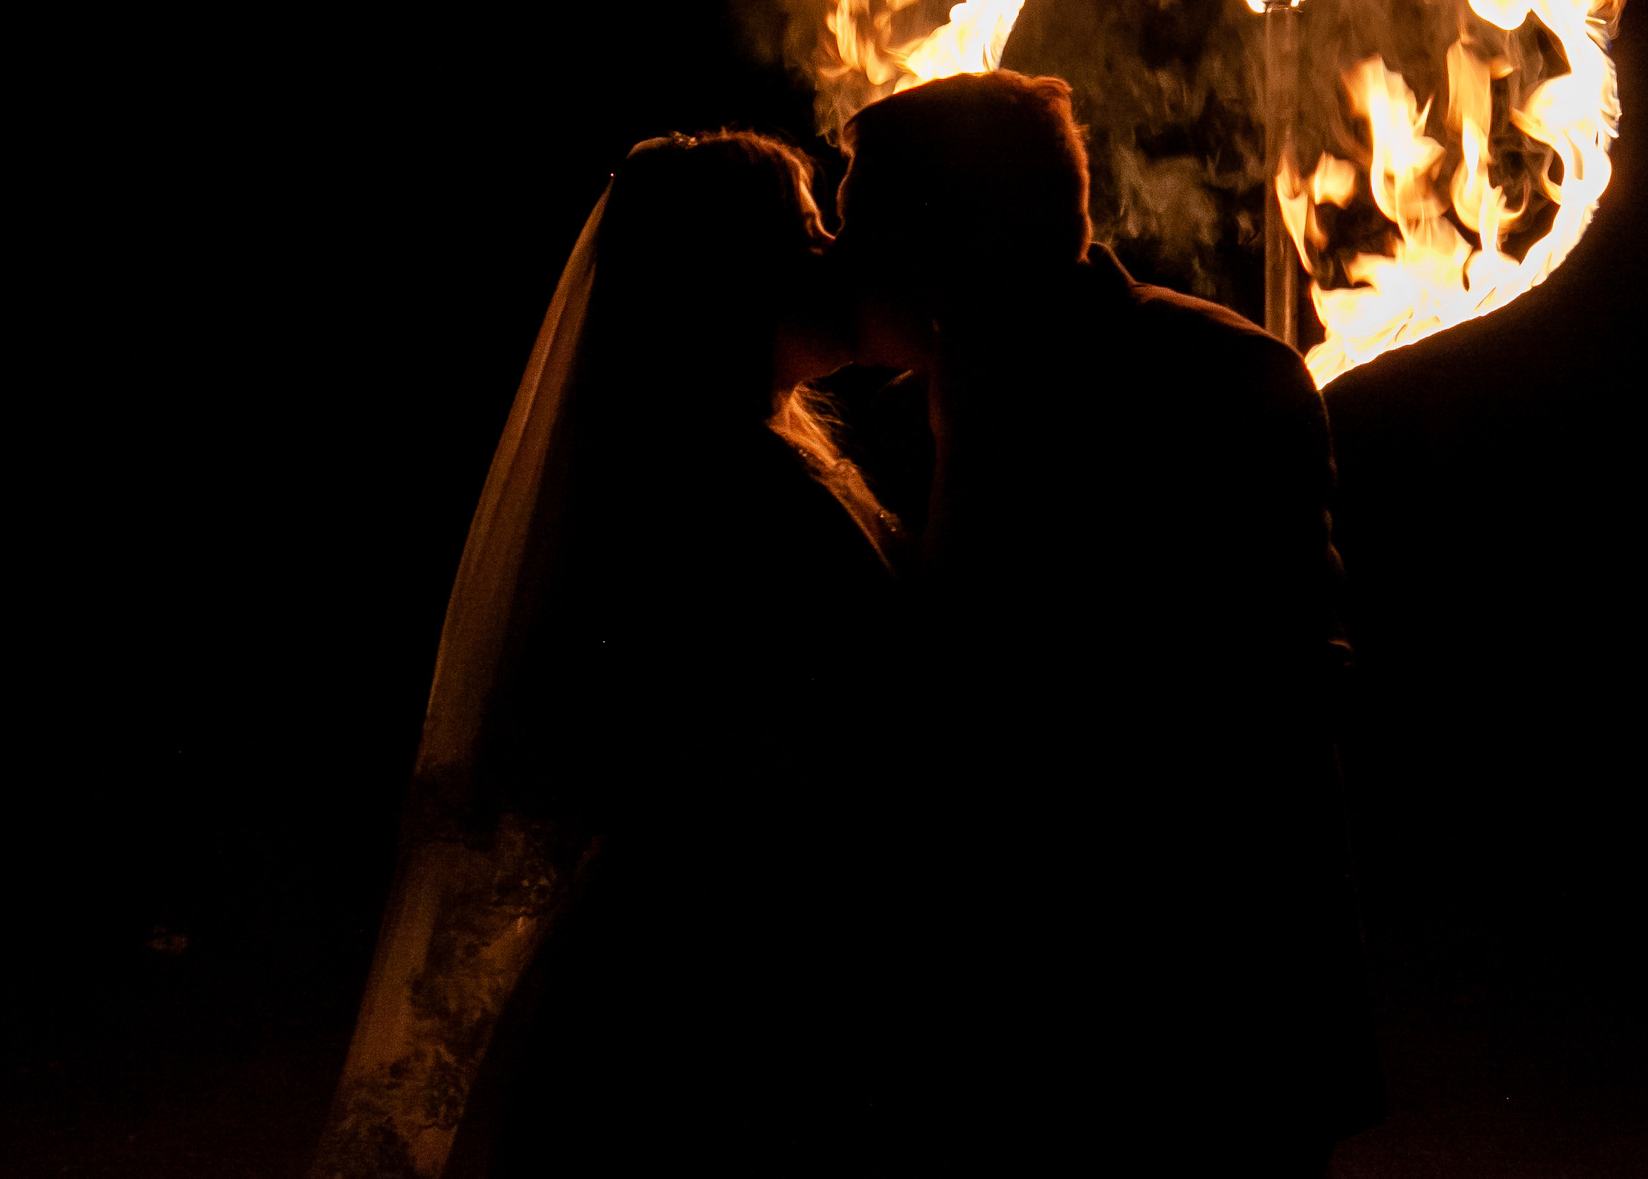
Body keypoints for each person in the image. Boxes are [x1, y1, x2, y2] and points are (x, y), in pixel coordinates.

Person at [313, 131, 904, 1179]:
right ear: (726, 276)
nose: (836, 250)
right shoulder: (736, 491)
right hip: (721, 968)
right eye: (807, 227)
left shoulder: (735, 462)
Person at [831, 70, 1381, 1176]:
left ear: (956, 233)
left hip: (1205, 999)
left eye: (871, 222)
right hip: (997, 1015)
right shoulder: (894, 421)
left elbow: (1279, 697)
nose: (851, 257)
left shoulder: (1223, 379)